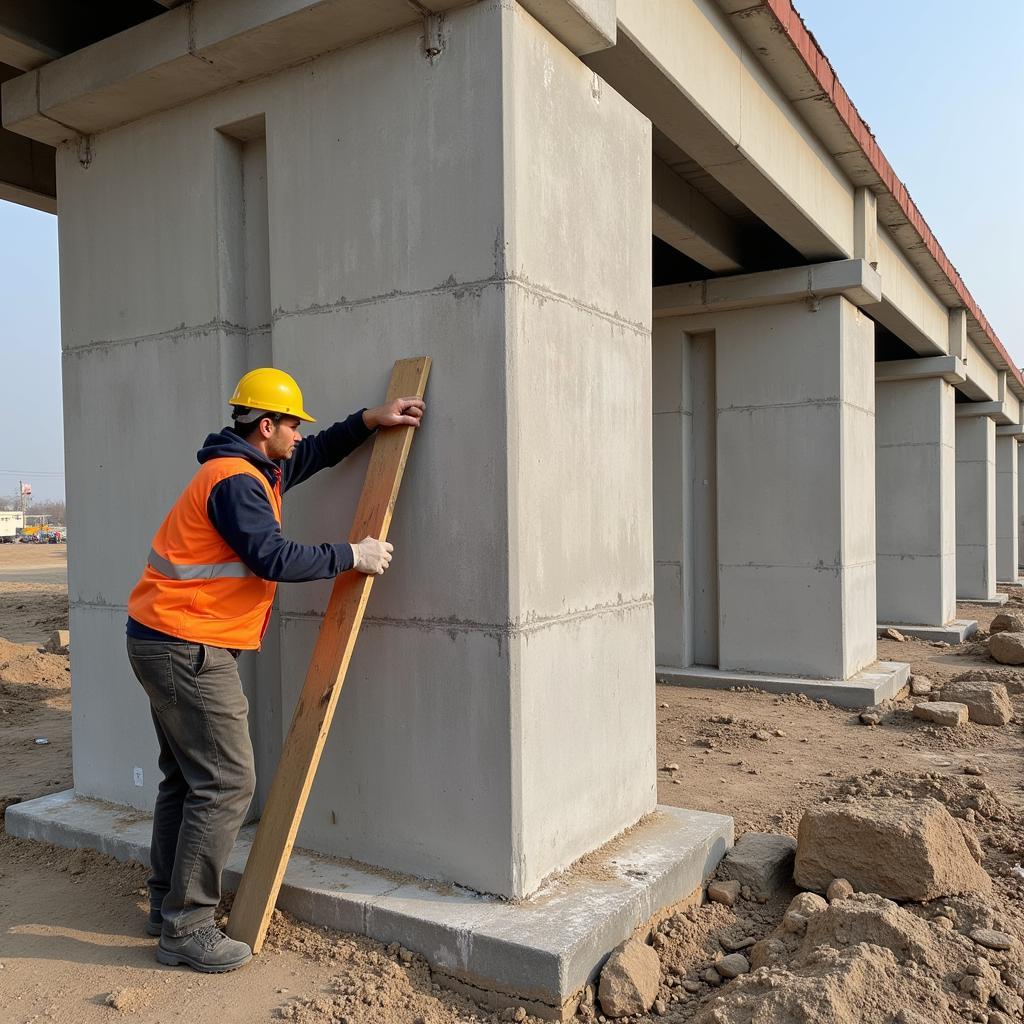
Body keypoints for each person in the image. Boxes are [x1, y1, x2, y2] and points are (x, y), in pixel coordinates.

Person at [125, 367, 425, 973]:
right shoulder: (236, 483)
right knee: (228, 782)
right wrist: (353, 555)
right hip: (187, 647)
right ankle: (186, 927)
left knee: (186, 779)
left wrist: (371, 420)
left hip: (165, 640)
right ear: (267, 426)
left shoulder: (249, 467)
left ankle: (166, 907)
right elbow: (272, 557)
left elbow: (314, 454)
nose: (298, 433)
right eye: (291, 423)